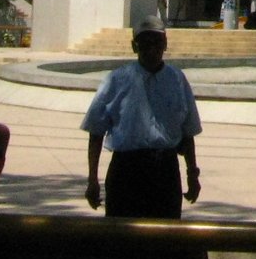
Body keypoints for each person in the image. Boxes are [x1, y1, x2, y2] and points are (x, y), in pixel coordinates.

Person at [81, 14, 202, 218]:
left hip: (165, 171)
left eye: (156, 42)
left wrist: (192, 174)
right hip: (126, 170)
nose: (151, 49)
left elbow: (187, 132)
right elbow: (96, 131)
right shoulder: (116, 80)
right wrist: (92, 180)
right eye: (144, 43)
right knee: (123, 238)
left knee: (165, 237)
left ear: (165, 44)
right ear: (134, 46)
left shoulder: (177, 80)